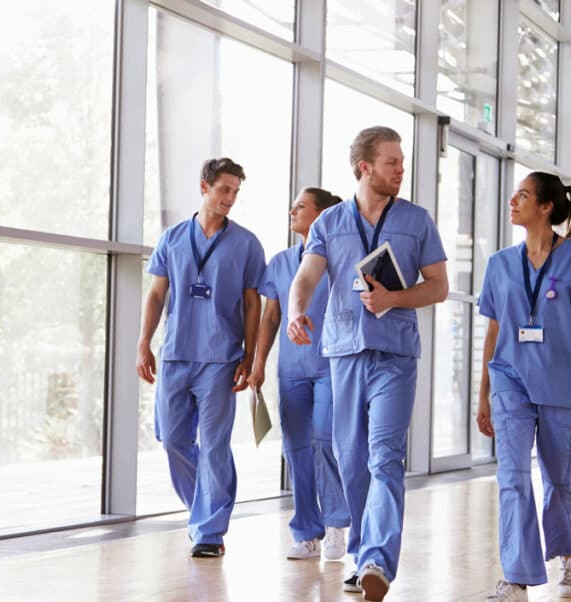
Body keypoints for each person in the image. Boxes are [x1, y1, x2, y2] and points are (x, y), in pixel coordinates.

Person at [286, 127, 448, 601]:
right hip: (343, 354)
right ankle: (362, 556)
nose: (401, 169)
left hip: (395, 355)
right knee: (352, 459)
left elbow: (437, 285)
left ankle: (378, 557)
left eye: (401, 162)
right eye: (392, 162)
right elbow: (306, 277)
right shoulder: (329, 223)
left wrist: (394, 297)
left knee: (384, 456)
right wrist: (297, 312)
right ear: (365, 167)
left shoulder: (417, 221)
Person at [476, 172, 571, 601]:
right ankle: (516, 577)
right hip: (510, 380)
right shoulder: (500, 264)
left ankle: (568, 557)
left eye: (522, 195)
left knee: (563, 478)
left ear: (546, 208)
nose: (512, 200)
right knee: (512, 476)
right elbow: (492, 330)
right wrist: (483, 391)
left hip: (561, 382)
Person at [136, 157, 265, 558]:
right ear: (204, 187)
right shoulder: (173, 238)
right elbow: (157, 294)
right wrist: (144, 343)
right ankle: (202, 510)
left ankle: (209, 530)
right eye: (224, 189)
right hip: (176, 354)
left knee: (213, 445)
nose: (230, 198)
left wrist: (249, 353)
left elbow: (252, 303)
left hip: (221, 358)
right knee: (172, 439)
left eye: (236, 192)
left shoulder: (246, 243)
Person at [247, 187, 350, 562]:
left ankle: (337, 523)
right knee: (296, 450)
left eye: (302, 206)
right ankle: (307, 531)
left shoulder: (340, 260)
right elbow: (271, 316)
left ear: (323, 215)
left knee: (324, 440)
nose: (293, 210)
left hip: (330, 366)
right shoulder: (280, 262)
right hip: (291, 370)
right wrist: (258, 363)